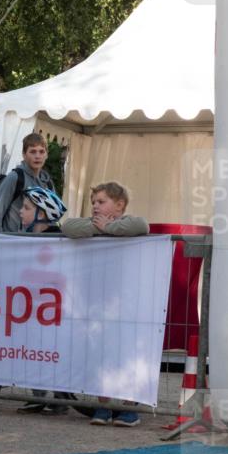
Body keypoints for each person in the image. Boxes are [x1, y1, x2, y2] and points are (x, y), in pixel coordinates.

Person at [63, 182, 149, 427]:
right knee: (101, 352)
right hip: (98, 301)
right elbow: (68, 226)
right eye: (94, 203)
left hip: (127, 301)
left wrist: (110, 228)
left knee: (127, 354)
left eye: (101, 202)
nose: (95, 207)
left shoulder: (129, 222)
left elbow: (141, 225)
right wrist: (96, 227)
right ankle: (104, 405)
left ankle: (129, 407)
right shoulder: (92, 225)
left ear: (119, 205)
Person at [14, 186, 70, 415]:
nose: (20, 212)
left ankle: (55, 396)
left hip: (52, 308)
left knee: (48, 349)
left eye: (26, 208)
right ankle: (44, 395)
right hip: (37, 307)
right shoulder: (31, 238)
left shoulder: (56, 240)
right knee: (36, 349)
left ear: (42, 214)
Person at [0, 133, 55, 232]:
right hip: (12, 243)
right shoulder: (15, 178)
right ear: (24, 155)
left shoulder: (48, 183)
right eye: (32, 152)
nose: (37, 156)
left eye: (41, 152)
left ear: (46, 155)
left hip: (36, 244)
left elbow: (52, 217)